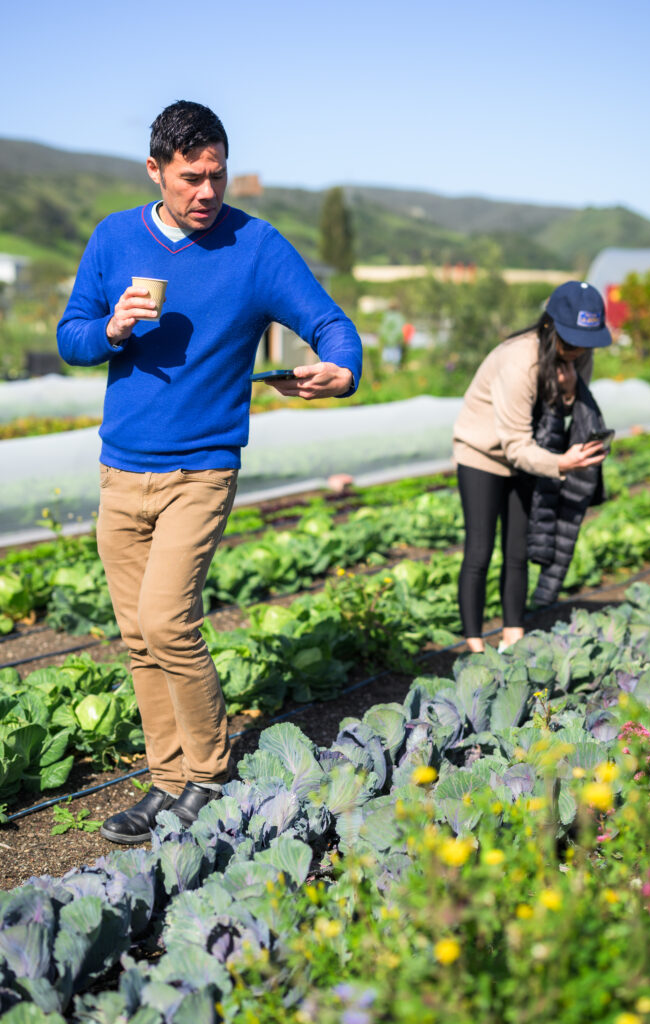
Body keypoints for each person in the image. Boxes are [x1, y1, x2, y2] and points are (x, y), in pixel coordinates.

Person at [57, 100, 362, 843]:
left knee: (168, 621)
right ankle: (165, 782)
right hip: (120, 471)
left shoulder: (256, 248)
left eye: (217, 177)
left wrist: (340, 371)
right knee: (135, 636)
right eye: (191, 177)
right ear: (156, 171)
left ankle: (210, 773)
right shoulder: (113, 238)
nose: (206, 192)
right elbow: (71, 338)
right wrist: (112, 330)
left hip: (201, 470)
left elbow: (330, 324)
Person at [452, 280, 612, 654]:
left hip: (531, 455)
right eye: (569, 342)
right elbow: (514, 444)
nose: (576, 352)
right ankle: (474, 646)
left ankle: (513, 636)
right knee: (479, 550)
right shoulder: (518, 360)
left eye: (584, 344)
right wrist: (561, 462)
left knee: (518, 549)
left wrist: (570, 394)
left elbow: (563, 412)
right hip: (484, 455)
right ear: (549, 326)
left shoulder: (578, 355)